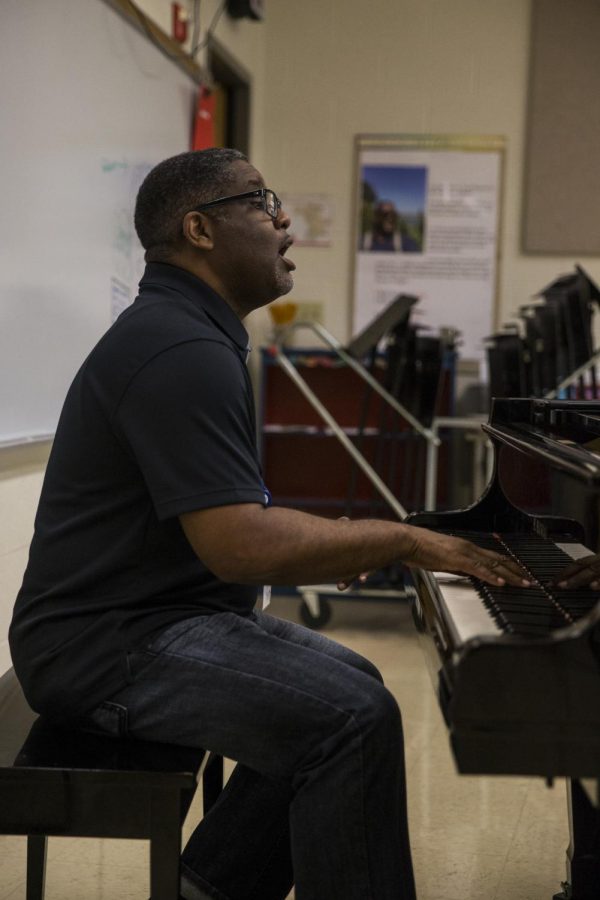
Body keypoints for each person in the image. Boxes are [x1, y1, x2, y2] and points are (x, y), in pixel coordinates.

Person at [10, 148, 530, 900]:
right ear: (199, 229)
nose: (284, 220)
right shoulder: (180, 347)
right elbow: (240, 546)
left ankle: (211, 885)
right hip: (103, 649)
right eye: (261, 201)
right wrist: (405, 538)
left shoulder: (189, 331)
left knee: (354, 681)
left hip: (152, 620)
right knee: (351, 717)